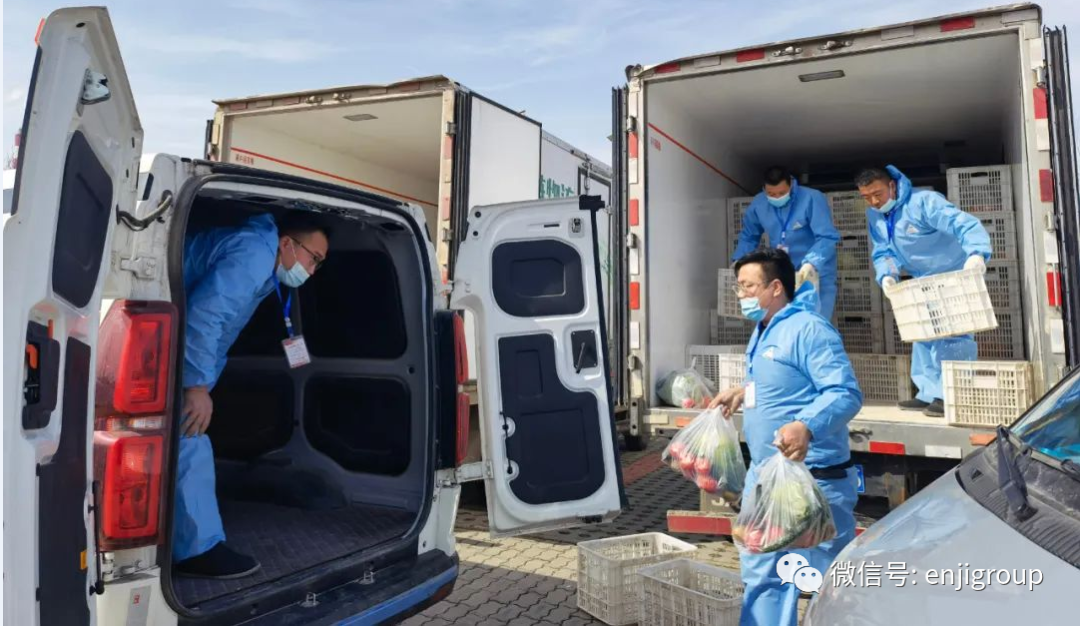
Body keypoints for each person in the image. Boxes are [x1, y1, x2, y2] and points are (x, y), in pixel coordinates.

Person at [709, 247, 862, 626]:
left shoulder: (808, 329)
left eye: (748, 287)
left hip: (813, 480)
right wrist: (743, 392)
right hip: (766, 479)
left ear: (775, 287)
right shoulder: (765, 328)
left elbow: (844, 393)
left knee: (827, 582)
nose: (741, 295)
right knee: (763, 576)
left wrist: (806, 425)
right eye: (739, 287)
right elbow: (784, 380)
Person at [174, 211, 329, 578]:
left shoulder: (263, 261)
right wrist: (196, 386)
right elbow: (205, 316)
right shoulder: (254, 254)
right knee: (190, 434)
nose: (312, 270)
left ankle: (190, 539)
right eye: (314, 258)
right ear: (287, 243)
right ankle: (198, 549)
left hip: (185, 360)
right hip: (179, 360)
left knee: (184, 437)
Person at [856, 165, 991, 417]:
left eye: (877, 194)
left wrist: (977, 253)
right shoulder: (876, 216)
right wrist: (887, 274)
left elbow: (962, 223)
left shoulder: (924, 202)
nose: (874, 202)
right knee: (923, 335)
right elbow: (883, 250)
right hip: (921, 280)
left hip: (953, 274)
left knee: (954, 335)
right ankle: (928, 392)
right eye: (866, 197)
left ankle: (952, 394)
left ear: (892, 186)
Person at [733, 166, 840, 319]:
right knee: (782, 322)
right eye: (771, 194)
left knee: (814, 320)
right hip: (782, 272)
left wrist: (811, 263)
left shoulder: (811, 198)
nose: (777, 197)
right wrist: (739, 260)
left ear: (791, 184)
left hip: (815, 271)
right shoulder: (759, 204)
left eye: (782, 193)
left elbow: (827, 237)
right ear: (764, 189)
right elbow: (749, 235)